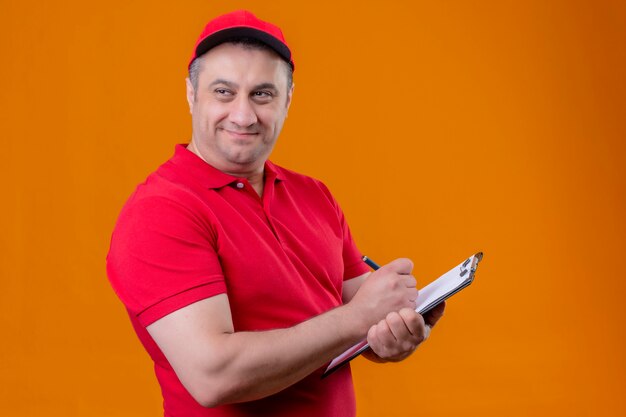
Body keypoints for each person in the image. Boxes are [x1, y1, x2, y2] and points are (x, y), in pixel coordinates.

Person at [106, 9, 445, 417]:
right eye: (224, 92)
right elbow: (214, 375)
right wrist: (357, 318)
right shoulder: (160, 211)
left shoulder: (314, 196)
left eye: (262, 94)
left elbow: (365, 324)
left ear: (288, 99)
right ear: (192, 94)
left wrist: (400, 322)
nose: (244, 116)